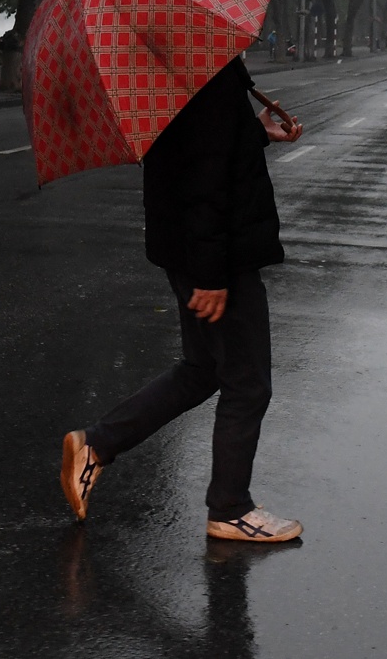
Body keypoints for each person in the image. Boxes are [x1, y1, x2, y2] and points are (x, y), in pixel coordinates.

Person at [60, 52, 307, 543]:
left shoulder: (182, 69)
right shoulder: (205, 73)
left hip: (191, 248)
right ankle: (230, 508)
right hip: (215, 256)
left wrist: (256, 131)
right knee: (247, 382)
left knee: (203, 369)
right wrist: (212, 275)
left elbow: (199, 153)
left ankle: (97, 445)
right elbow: (204, 182)